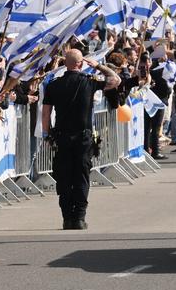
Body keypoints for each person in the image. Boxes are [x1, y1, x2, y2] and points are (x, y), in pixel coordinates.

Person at [42, 49, 120, 230]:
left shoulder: (54, 84)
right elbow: (116, 80)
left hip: (62, 136)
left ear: (65, 64)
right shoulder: (89, 81)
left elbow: (46, 112)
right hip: (83, 137)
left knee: (64, 177)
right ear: (80, 63)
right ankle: (79, 217)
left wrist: (46, 134)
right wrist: (99, 66)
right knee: (81, 177)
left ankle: (67, 217)